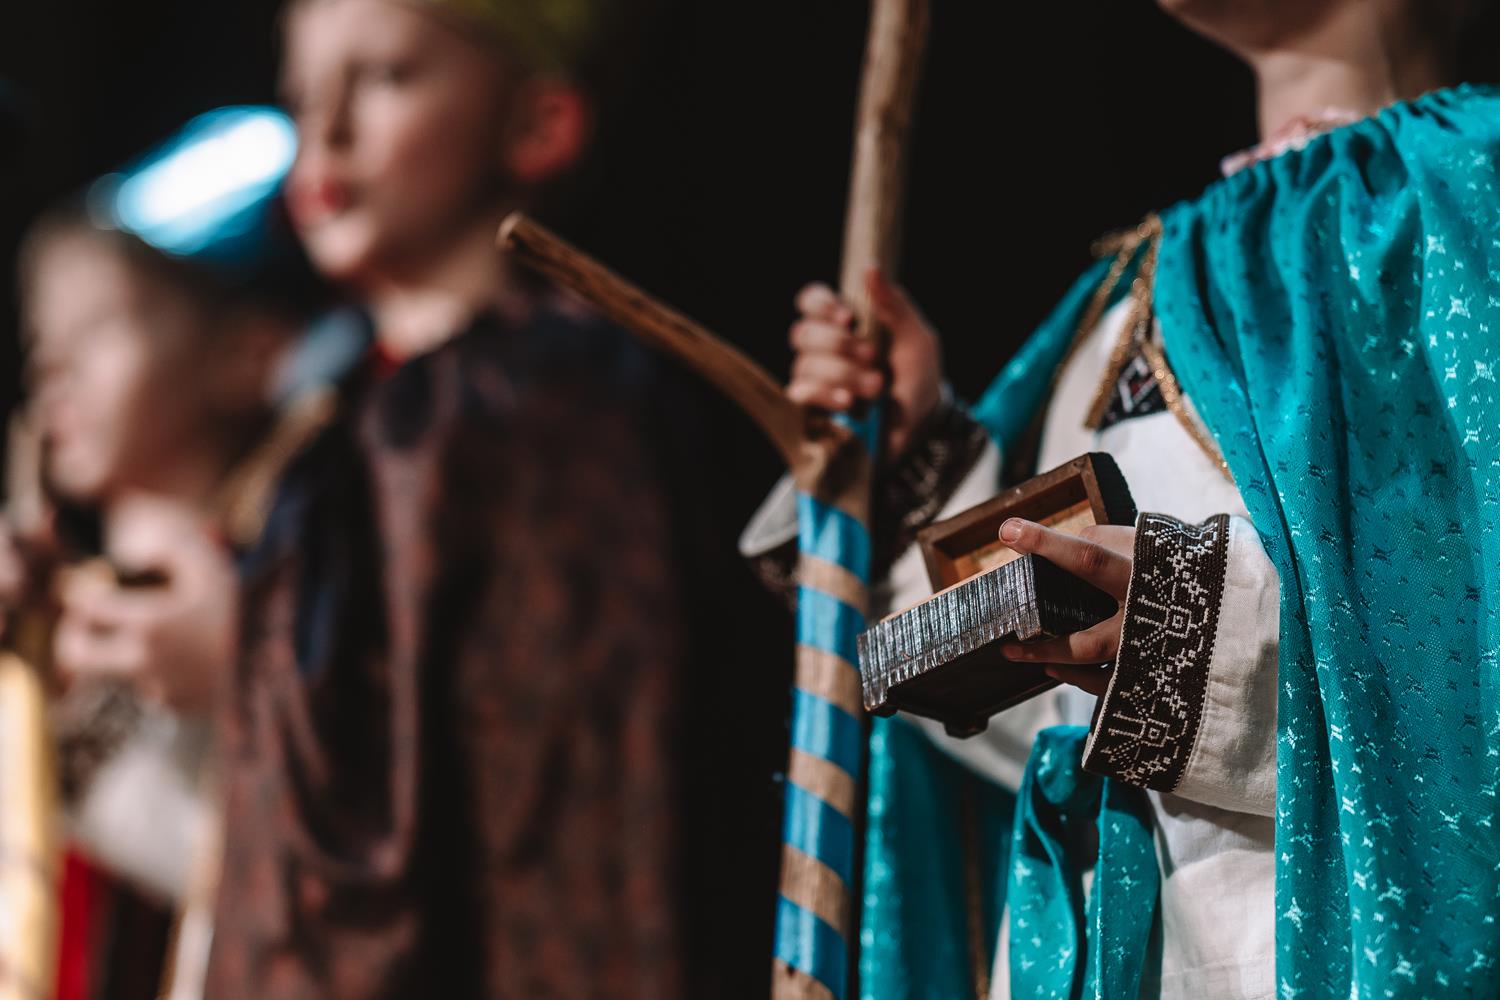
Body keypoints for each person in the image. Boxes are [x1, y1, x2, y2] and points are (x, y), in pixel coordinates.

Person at [748, 0, 1500, 996]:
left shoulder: (1473, 198)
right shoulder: (1134, 289)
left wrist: (1192, 631)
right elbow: (1050, 717)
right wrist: (912, 461)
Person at [188, 2, 683, 996]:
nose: (326, 132)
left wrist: (232, 663)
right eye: (301, 97)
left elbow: (559, 810)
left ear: (537, 122)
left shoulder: (550, 407)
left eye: (386, 78)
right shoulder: (330, 422)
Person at [13, 106, 326, 999]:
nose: (55, 370)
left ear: (248, 355)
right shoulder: (47, 597)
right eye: (42, 342)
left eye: (101, 328)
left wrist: (242, 675)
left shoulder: (282, 593)